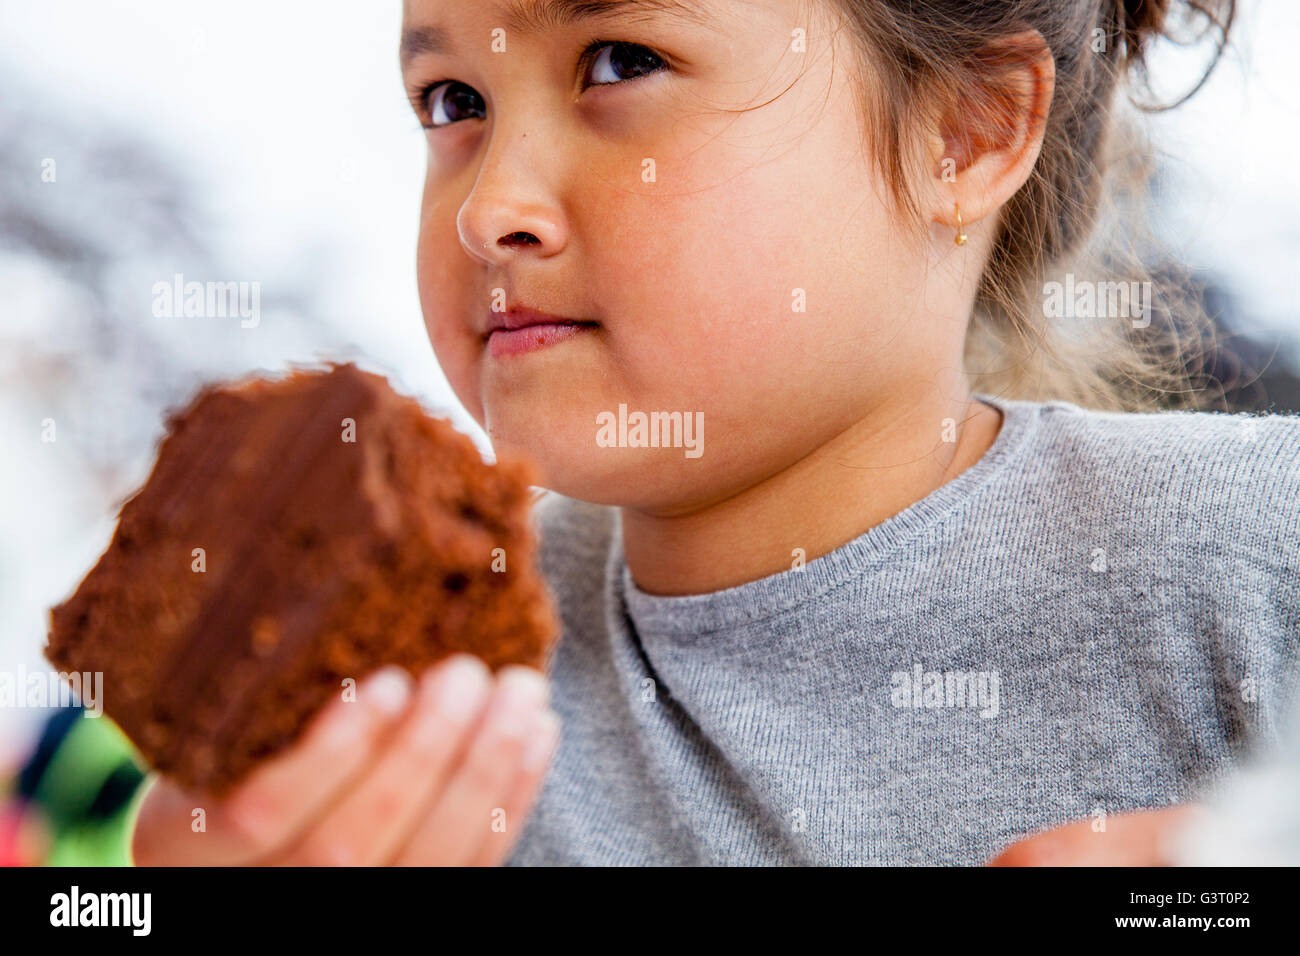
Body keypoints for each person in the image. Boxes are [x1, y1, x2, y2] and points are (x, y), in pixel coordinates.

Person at [132, 0, 1300, 865]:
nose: (490, 208)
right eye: (454, 103)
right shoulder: (399, 676)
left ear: (968, 130)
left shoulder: (1254, 551)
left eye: (619, 61)